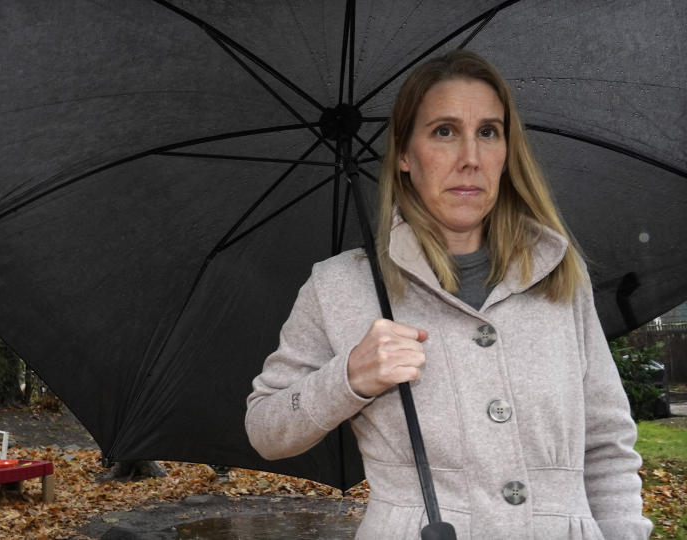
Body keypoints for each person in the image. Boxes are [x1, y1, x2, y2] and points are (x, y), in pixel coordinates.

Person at [245, 50, 652, 539]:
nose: (470, 159)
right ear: (404, 155)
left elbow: (606, 445)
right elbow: (265, 429)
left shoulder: (560, 275)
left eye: (488, 132)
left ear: (507, 151)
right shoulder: (341, 286)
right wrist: (349, 377)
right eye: (443, 131)